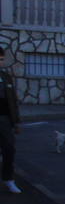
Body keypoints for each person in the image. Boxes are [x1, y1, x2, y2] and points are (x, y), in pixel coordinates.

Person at [0, 46, 20, 194]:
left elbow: (12, 100)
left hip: (5, 119)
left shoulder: (6, 77)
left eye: (1, 59)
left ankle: (8, 179)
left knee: (9, 149)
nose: (0, 62)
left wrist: (17, 121)